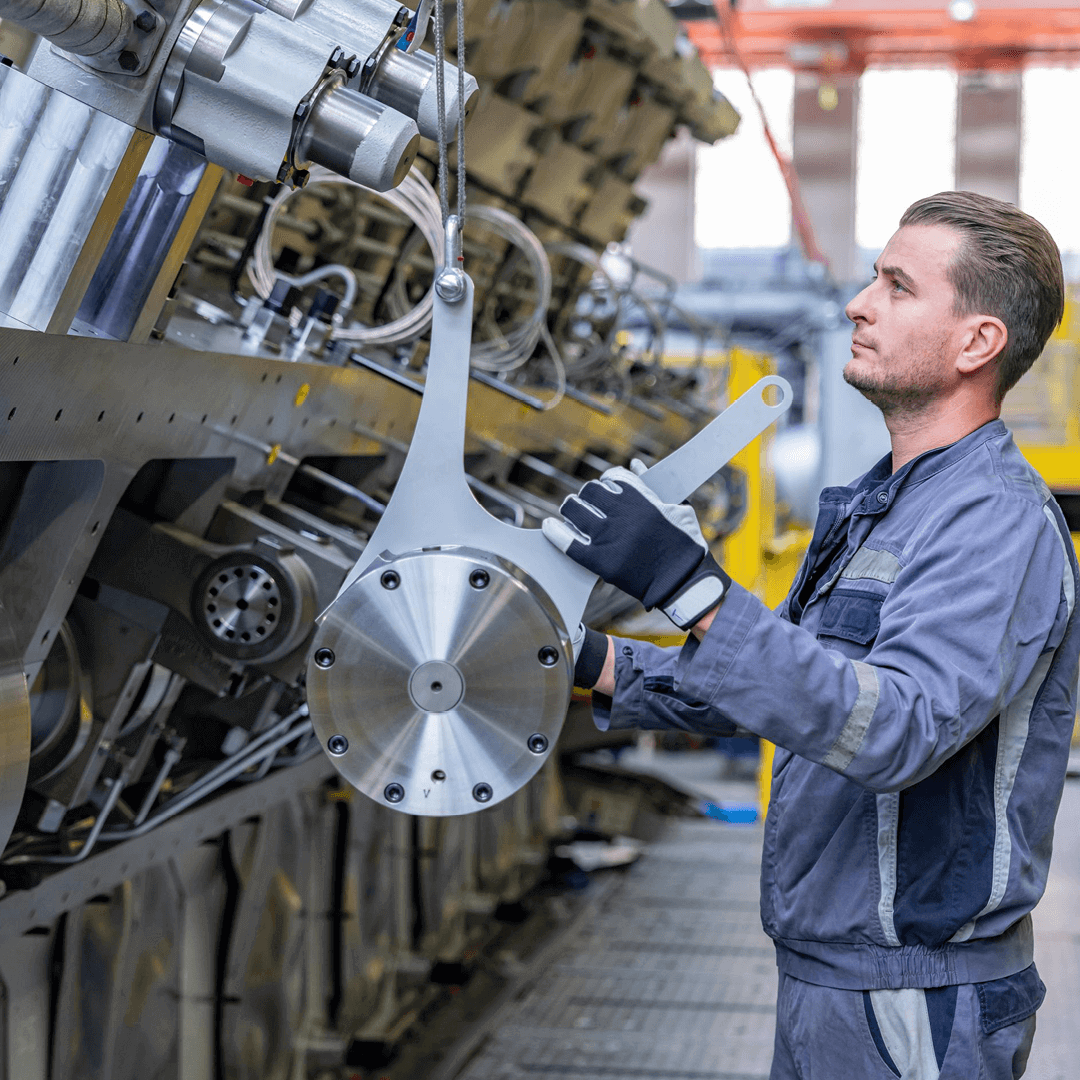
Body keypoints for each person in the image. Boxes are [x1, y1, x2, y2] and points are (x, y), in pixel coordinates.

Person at [543, 191, 1080, 1080]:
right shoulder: (890, 503)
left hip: (913, 1000)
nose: (857, 304)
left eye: (898, 287)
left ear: (977, 342)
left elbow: (895, 727)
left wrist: (691, 586)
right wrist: (581, 658)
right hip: (834, 985)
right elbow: (794, 686)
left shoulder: (993, 521)